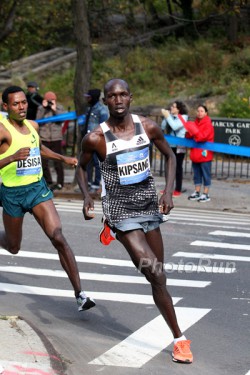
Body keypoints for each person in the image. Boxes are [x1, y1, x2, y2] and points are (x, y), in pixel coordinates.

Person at [76, 78, 193, 364]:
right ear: (105, 101)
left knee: (158, 278)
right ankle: (182, 339)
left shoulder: (148, 127)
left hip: (149, 206)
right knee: (154, 271)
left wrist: (167, 191)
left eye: (123, 94)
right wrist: (87, 196)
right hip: (120, 211)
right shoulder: (96, 138)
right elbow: (80, 166)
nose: (118, 100)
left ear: (131, 97)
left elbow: (170, 156)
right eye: (112, 96)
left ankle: (176, 336)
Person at [0, 86, 95, 312]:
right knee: (14, 247)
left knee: (58, 236)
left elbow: (39, 148)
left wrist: (63, 158)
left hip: (37, 189)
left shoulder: (33, 125)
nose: (22, 107)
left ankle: (80, 294)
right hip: (12, 193)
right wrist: (12, 157)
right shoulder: (2, 131)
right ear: (5, 107)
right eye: (16, 104)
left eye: (24, 102)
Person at [184, 104, 214, 202]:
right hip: (195, 153)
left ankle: (206, 193)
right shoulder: (194, 123)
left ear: (206, 113)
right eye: (198, 111)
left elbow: (203, 137)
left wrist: (194, 132)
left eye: (202, 111)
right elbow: (188, 136)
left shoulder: (208, 124)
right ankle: (197, 192)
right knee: (196, 174)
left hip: (205, 153)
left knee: (206, 174)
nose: (199, 113)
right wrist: (189, 131)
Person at [36, 91, 65, 190]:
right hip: (44, 137)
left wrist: (54, 109)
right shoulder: (41, 108)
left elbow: (61, 120)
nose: (50, 102)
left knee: (58, 161)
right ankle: (48, 181)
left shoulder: (59, 107)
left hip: (56, 138)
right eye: (48, 100)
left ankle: (60, 183)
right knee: (43, 162)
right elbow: (37, 121)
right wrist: (43, 109)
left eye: (52, 100)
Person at [82, 89, 109, 192]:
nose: (87, 99)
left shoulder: (102, 110)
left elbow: (104, 126)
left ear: (93, 97)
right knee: (88, 161)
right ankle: (88, 182)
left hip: (97, 141)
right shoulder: (89, 108)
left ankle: (96, 184)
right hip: (88, 140)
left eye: (88, 97)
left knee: (97, 163)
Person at [161, 101, 188, 197]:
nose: (171, 108)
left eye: (173, 107)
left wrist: (168, 116)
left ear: (178, 109)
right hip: (170, 145)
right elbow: (163, 127)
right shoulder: (171, 117)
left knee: (178, 167)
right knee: (168, 166)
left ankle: (178, 188)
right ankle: (168, 188)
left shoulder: (183, 117)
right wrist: (166, 117)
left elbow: (175, 126)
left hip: (179, 146)